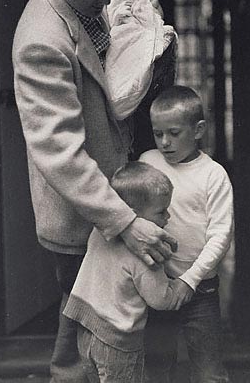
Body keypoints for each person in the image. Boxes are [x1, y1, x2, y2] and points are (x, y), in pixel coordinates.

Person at [12, 0, 177, 383]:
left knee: (107, 325)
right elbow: (60, 151)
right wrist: (125, 222)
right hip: (82, 210)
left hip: (111, 193)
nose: (105, 1)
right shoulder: (41, 41)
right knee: (80, 330)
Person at [140, 85, 234, 383]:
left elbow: (221, 236)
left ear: (198, 130)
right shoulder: (148, 162)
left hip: (200, 291)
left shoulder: (213, 175)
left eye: (174, 133)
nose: (165, 142)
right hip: (155, 285)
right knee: (156, 369)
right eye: (158, 134)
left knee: (209, 373)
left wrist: (189, 281)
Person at [64, 161, 185, 383]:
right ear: (132, 213)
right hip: (117, 341)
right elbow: (161, 300)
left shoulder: (101, 229)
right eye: (161, 212)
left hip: (85, 331)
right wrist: (183, 285)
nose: (167, 217)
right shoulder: (147, 252)